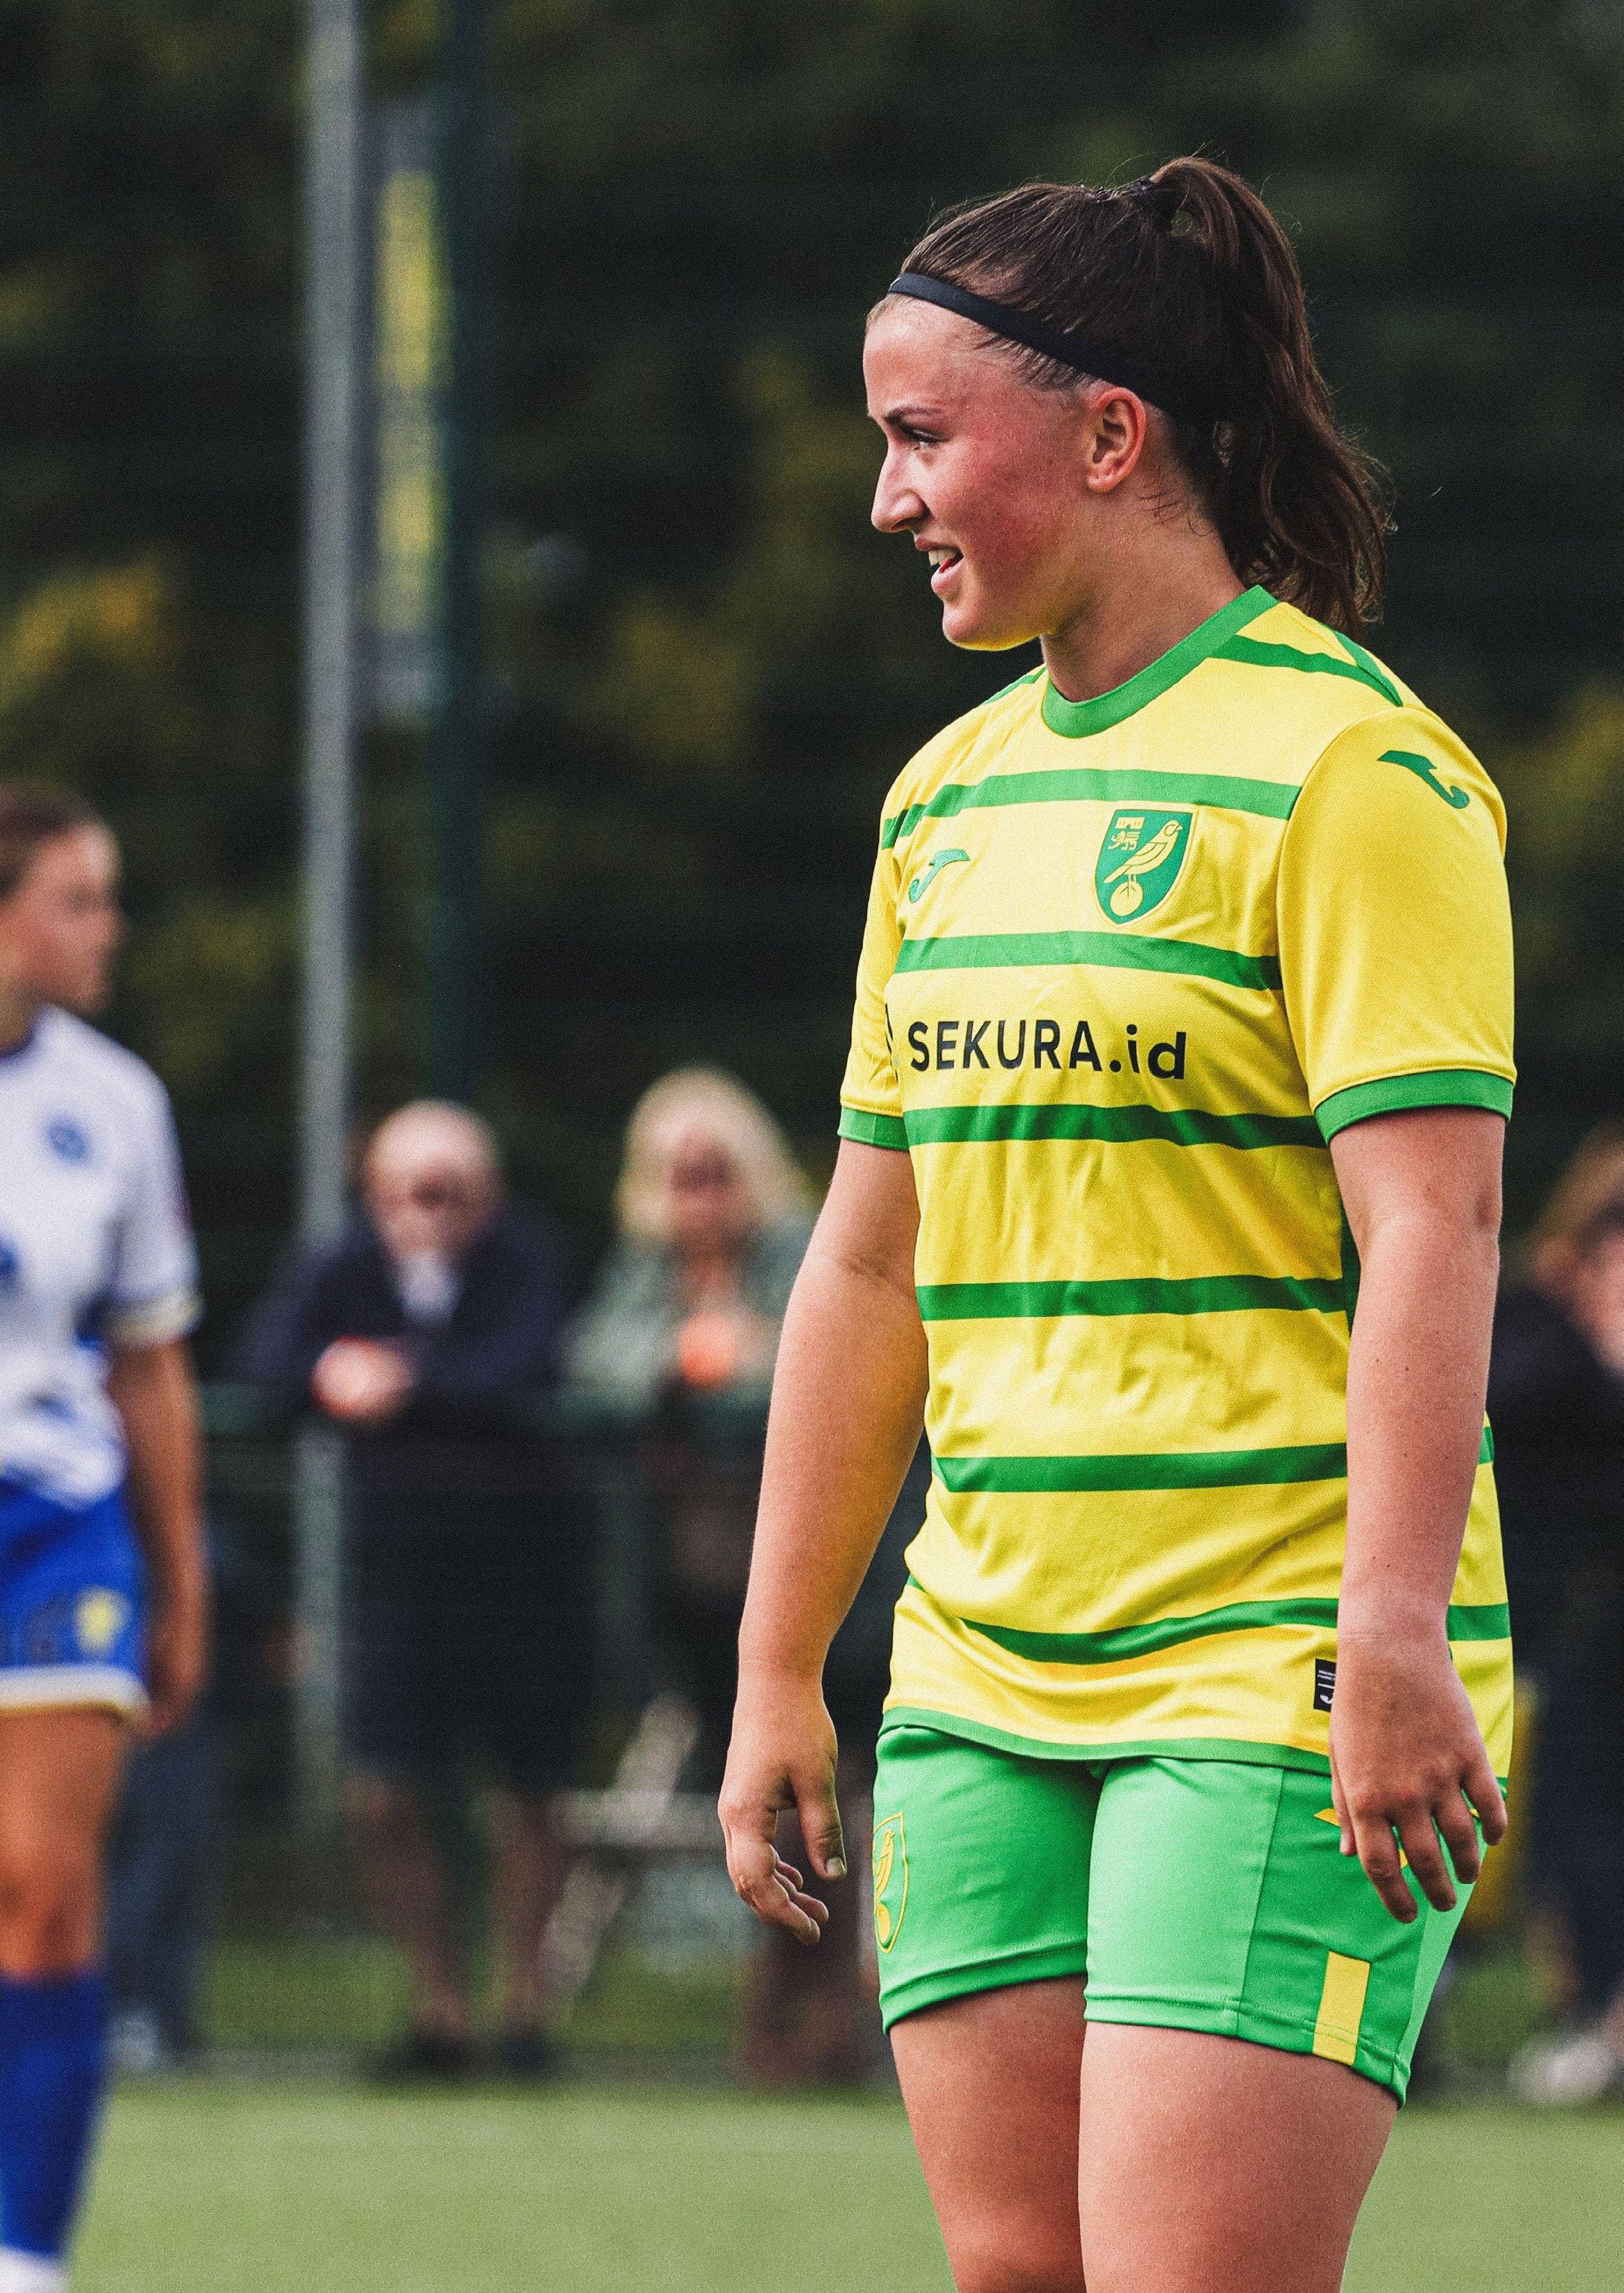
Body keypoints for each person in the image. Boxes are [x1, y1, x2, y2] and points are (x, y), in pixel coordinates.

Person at [719, 159, 1516, 2292]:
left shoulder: (1356, 773)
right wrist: (780, 1665)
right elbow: (866, 1263)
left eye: (920, 437)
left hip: (1273, 1665)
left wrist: (1393, 1633)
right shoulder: (941, 802)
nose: (888, 498)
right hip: (981, 1665)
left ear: (1106, 435)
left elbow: (1437, 1229)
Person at [568, 1069, 918, 2080]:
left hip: (836, 1589)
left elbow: (848, 1359)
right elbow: (591, 1362)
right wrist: (681, 1359)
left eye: (716, 1172)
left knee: (831, 1801)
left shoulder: (808, 1251)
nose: (699, 1197)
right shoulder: (645, 1274)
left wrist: (749, 1361)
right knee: (766, 1802)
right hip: (702, 1601)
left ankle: (825, 2019)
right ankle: (782, 2015)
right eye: (680, 1176)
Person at [239, 1101, 579, 2080]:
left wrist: (400, 1380)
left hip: (524, 1573)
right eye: (409, 1194)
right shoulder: (343, 1263)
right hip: (396, 1577)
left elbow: (523, 1363)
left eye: (449, 1193)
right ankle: (440, 2010)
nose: (428, 1213)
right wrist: (327, 1372)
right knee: (384, 1790)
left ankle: (525, 2011)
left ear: (487, 1196)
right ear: (377, 1196)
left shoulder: (527, 1257)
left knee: (532, 1790)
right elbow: (265, 1363)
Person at [0, 786, 207, 2292]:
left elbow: (148, 1360)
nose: (107, 928)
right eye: (78, 899)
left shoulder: (117, 1102)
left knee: (45, 1892)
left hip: (59, 1527)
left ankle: (27, 2258)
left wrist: (178, 1576)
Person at [1488, 1133, 1624, 2103]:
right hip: (1525, 1626)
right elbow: (1499, 1411)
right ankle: (1588, 2012)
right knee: (1560, 1825)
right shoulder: (1533, 1325)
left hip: (1593, 1632)